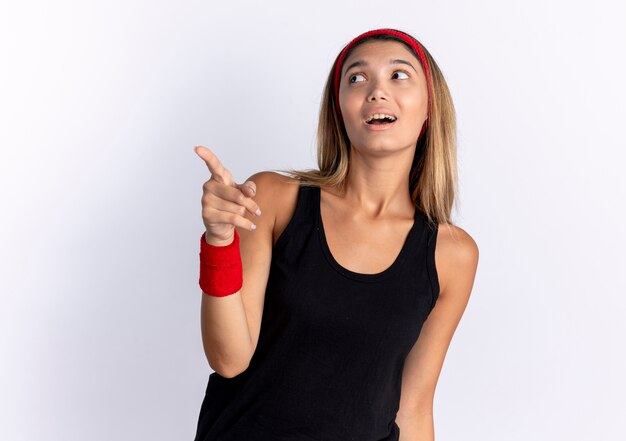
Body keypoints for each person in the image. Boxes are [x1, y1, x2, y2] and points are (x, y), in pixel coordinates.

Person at [192, 28, 479, 441]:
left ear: (430, 107)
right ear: (340, 109)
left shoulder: (452, 254)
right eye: (357, 78)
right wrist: (219, 242)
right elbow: (229, 359)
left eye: (399, 76)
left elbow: (413, 408)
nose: (377, 91)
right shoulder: (273, 199)